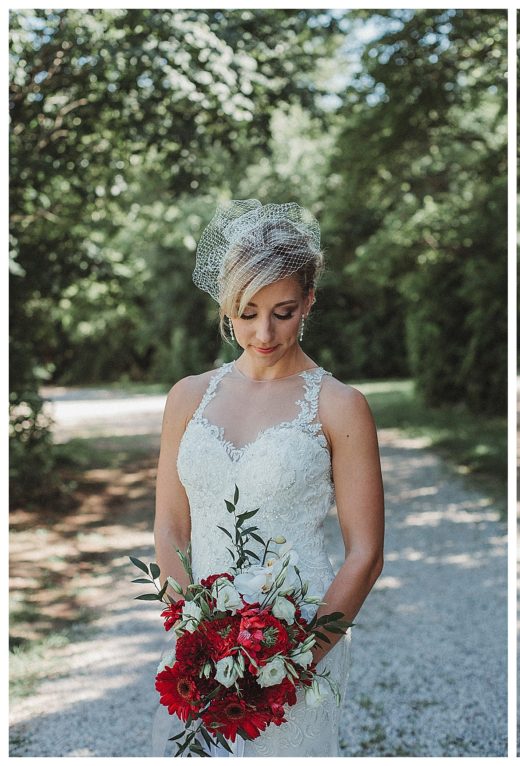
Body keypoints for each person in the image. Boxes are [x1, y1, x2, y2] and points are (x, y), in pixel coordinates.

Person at [151, 199, 385, 756]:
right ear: (226, 305)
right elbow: (168, 527)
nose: (263, 332)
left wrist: (298, 658)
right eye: (247, 310)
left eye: (283, 311)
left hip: (300, 641)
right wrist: (199, 636)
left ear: (308, 301)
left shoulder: (340, 405)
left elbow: (366, 554)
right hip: (197, 642)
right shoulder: (187, 397)